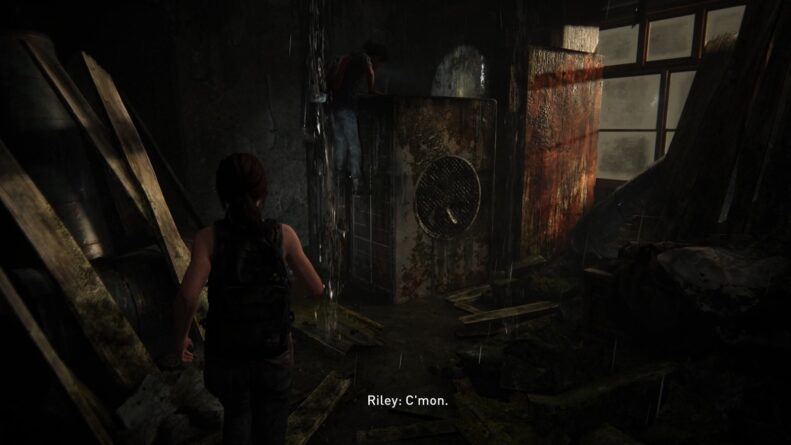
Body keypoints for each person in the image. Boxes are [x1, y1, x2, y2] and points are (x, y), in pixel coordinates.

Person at [173, 153, 324, 445]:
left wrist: (181, 338)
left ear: (222, 193)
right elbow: (315, 287)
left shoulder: (208, 238)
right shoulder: (284, 235)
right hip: (273, 355)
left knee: (236, 416)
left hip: (227, 359)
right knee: (272, 427)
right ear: (262, 192)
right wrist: (281, 294)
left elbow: (187, 297)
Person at [326, 41, 388, 193]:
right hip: (347, 107)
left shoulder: (350, 58)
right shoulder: (364, 58)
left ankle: (338, 179)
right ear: (375, 56)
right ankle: (356, 181)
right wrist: (372, 90)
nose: (378, 66)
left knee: (340, 142)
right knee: (354, 145)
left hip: (335, 106)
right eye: (379, 62)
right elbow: (370, 73)